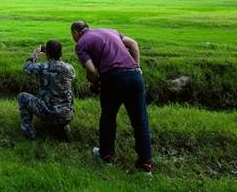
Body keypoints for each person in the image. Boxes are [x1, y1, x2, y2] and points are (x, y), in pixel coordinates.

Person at [70, 20, 153, 174]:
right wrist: (137, 67)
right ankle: (145, 165)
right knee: (140, 120)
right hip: (135, 77)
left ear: (75, 33)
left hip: (112, 78)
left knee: (108, 117)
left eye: (73, 36)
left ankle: (106, 156)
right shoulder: (111, 31)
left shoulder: (81, 44)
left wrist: (95, 85)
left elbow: (92, 71)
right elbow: (133, 44)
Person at [17, 39, 75, 139]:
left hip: (49, 115)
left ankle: (29, 134)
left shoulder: (42, 67)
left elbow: (26, 68)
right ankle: (63, 126)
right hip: (67, 115)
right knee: (64, 94)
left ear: (47, 54)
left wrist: (35, 54)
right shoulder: (69, 68)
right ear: (61, 53)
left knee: (22, 97)